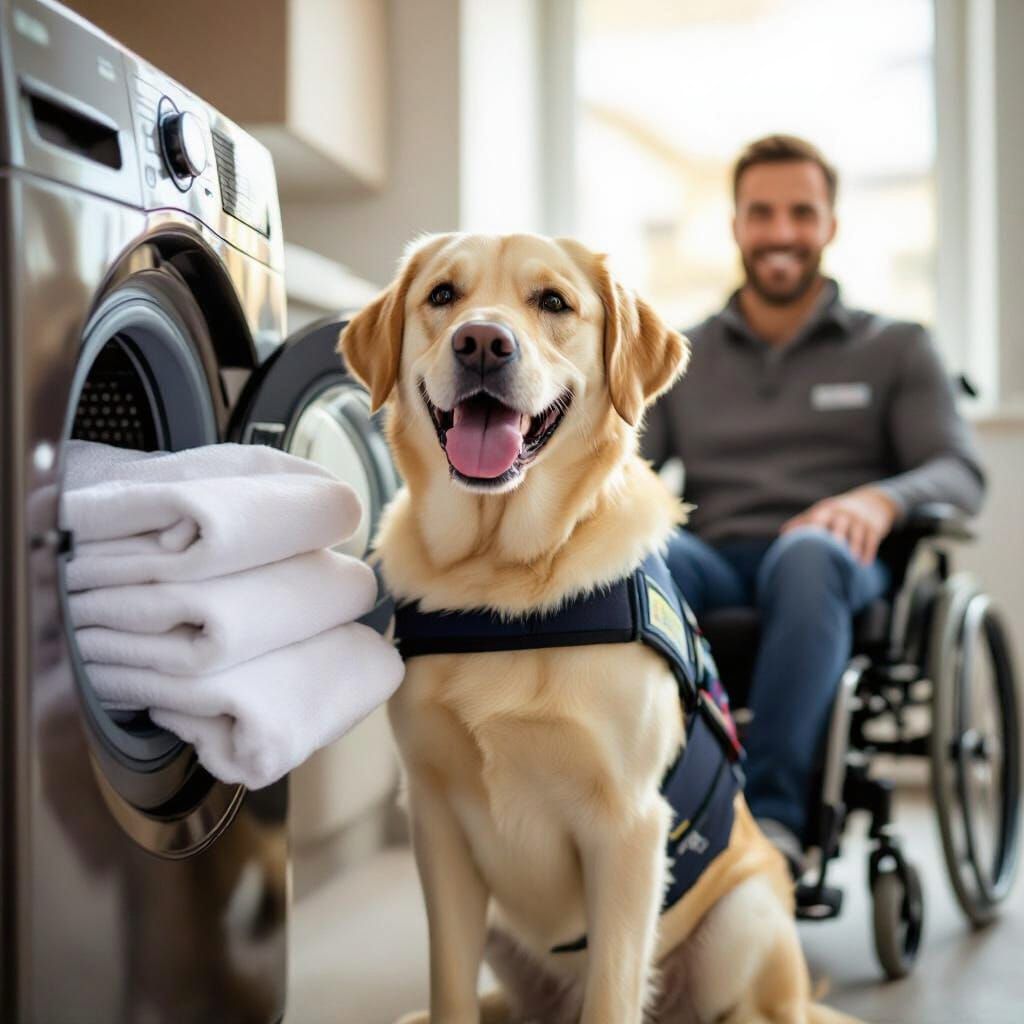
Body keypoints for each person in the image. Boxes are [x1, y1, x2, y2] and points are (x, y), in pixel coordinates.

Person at [642, 134, 986, 874]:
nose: (781, 233)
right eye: (761, 213)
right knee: (640, 556)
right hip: (718, 559)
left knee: (806, 555)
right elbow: (622, 469)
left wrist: (880, 500)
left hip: (837, 566)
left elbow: (959, 470)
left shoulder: (896, 348)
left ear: (830, 225)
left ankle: (773, 828)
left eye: (802, 212)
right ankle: (647, 814)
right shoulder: (683, 355)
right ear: (736, 225)